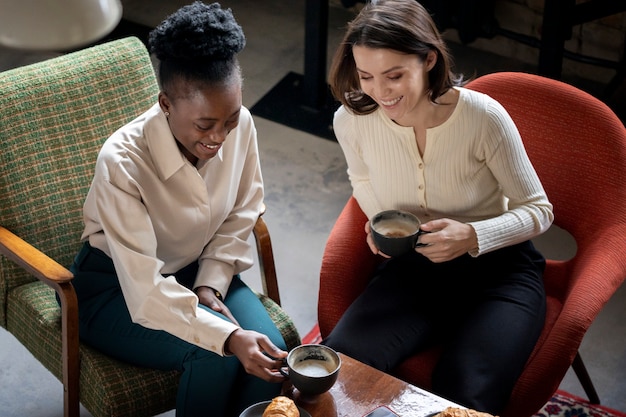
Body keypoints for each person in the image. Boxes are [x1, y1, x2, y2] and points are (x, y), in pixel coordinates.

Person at [321, 0, 554, 414]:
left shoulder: (483, 118)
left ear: (428, 59)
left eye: (395, 75)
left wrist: (473, 235)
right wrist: (379, 221)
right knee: (340, 371)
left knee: (465, 395)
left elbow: (538, 209)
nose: (380, 92)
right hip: (416, 269)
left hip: (501, 274)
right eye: (366, 76)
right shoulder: (351, 120)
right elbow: (363, 180)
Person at [66, 3, 288, 416]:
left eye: (231, 119)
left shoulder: (241, 126)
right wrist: (224, 336)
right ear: (165, 104)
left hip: (195, 270)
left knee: (272, 356)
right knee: (215, 355)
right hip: (116, 287)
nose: (220, 136)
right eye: (205, 125)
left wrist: (211, 283)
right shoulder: (122, 161)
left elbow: (244, 210)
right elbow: (145, 289)